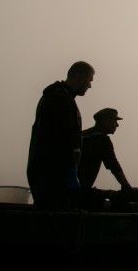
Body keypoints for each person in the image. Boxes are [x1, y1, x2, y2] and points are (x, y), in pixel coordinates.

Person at [27, 61, 94, 209]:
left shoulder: (55, 96)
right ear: (79, 77)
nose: (90, 86)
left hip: (45, 174)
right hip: (52, 177)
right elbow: (62, 140)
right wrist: (70, 174)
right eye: (89, 80)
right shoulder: (61, 99)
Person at [78, 108, 136, 209]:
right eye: (115, 121)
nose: (117, 125)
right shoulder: (101, 139)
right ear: (105, 121)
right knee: (120, 207)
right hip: (78, 191)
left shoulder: (83, 135)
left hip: (66, 187)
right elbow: (113, 165)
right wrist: (126, 186)